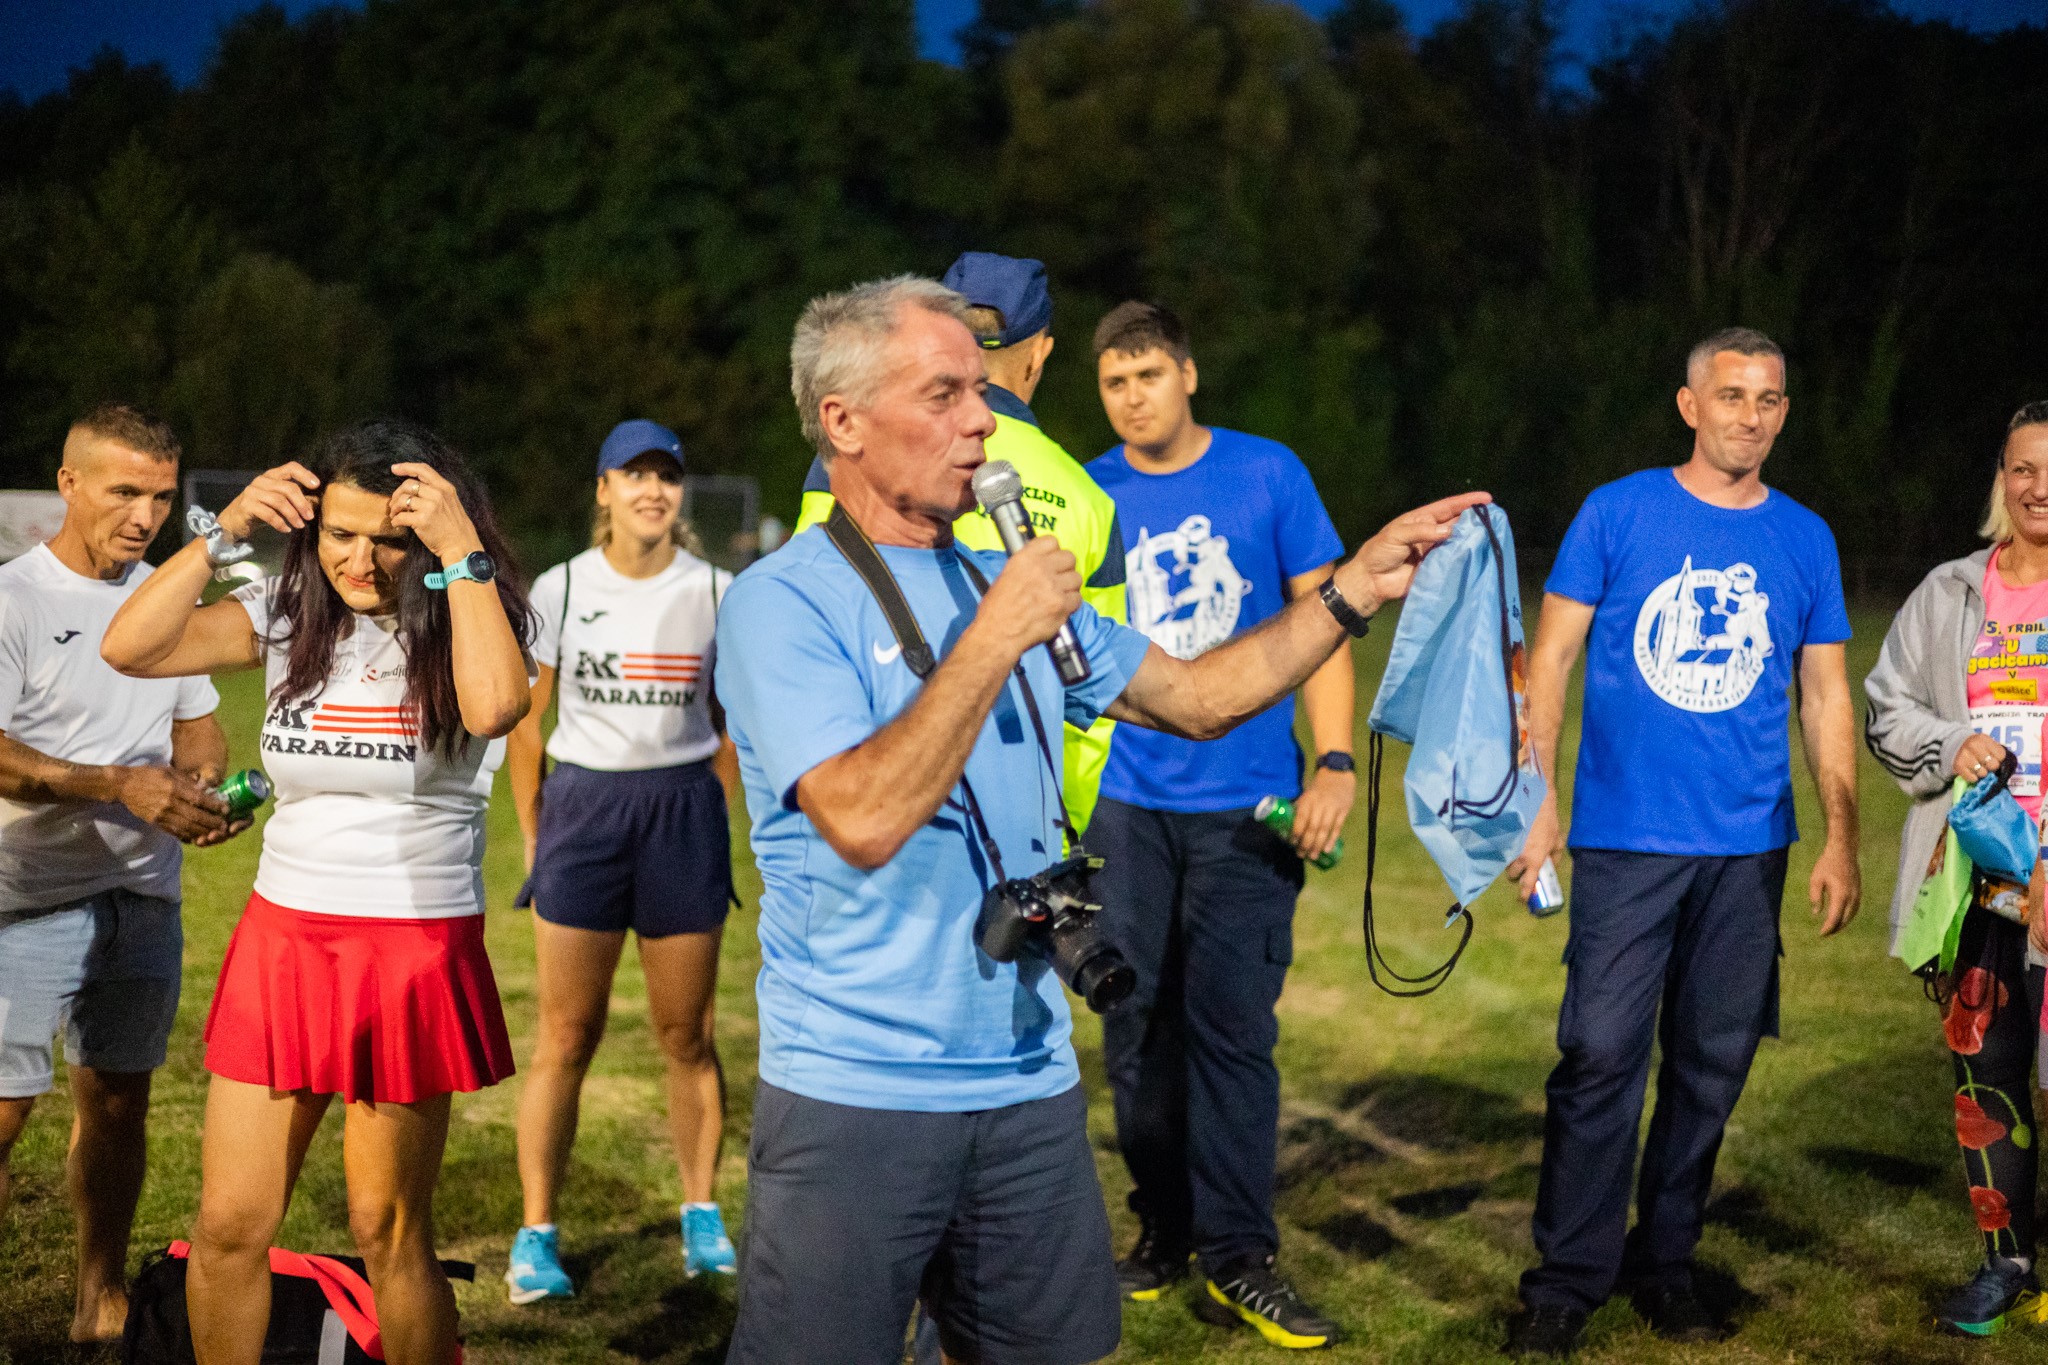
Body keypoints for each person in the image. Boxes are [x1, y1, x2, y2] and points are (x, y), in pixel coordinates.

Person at [716, 272, 1485, 1365]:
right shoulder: (780, 600)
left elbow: (1200, 697)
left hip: (1028, 1089)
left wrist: (1353, 587)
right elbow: (862, 814)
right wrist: (995, 631)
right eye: (942, 394)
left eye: (979, 391)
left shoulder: (1012, 581)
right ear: (840, 418)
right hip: (858, 1097)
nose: (982, 419)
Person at [100, 420, 533, 1365]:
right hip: (284, 940)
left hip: (411, 946)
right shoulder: (291, 610)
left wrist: (462, 553)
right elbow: (130, 647)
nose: (359, 559)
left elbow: (499, 706)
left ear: (426, 535)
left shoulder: (473, 607)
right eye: (338, 533)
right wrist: (218, 536)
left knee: (388, 1232)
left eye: (386, 537)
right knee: (227, 1225)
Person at [1505, 328, 1861, 1357]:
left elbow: (1824, 691)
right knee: (1598, 1055)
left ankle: (1663, 1262)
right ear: (1688, 404)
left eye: (1767, 398)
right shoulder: (1616, 513)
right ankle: (1562, 1283)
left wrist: (1839, 837)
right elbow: (1553, 654)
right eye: (1730, 394)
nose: (1748, 414)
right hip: (1625, 841)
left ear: (1781, 412)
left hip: (1750, 849)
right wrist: (1539, 797)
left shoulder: (1804, 538)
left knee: (1710, 1065)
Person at [1081, 300, 1356, 1349]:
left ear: (1187, 375)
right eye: (1114, 381)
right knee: (1134, 1031)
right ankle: (1161, 1229)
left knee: (1232, 1035)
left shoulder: (1266, 474)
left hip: (1246, 808)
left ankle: (1242, 1258)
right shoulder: (1088, 495)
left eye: (1148, 373)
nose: (1133, 394)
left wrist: (1330, 761)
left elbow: (1324, 624)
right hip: (1126, 807)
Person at [0, 405, 244, 1343]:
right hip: (25, 897)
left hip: (143, 895)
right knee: (7, 1107)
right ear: (69, 484)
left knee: (117, 1098)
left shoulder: (160, 598)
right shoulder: (17, 598)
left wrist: (203, 775)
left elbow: (196, 718)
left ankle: (97, 1296)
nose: (145, 515)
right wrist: (118, 783)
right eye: (124, 492)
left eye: (160, 496)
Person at [503, 418, 739, 1301]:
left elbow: (732, 721)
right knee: (567, 1032)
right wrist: (535, 824)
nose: (652, 490)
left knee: (688, 1034)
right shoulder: (562, 587)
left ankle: (701, 1213)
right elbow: (530, 717)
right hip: (586, 809)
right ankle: (537, 1234)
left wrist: (713, 803)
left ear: (681, 492)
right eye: (633, 475)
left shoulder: (717, 589)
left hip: (680, 810)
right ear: (602, 488)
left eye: (666, 477)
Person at [796, 250, 1129, 833]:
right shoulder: (1088, 498)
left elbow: (811, 612)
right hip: (1022, 824)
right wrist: (1058, 819)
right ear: (1042, 351)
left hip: (880, 790)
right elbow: (1091, 701)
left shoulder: (859, 458)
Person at [1865, 401, 2048, 1337]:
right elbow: (1886, 713)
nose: (2039, 487)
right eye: (2022, 468)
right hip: (1976, 887)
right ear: (2000, 478)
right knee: (1988, 1079)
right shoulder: (1948, 592)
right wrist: (1951, 740)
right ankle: (2007, 1264)